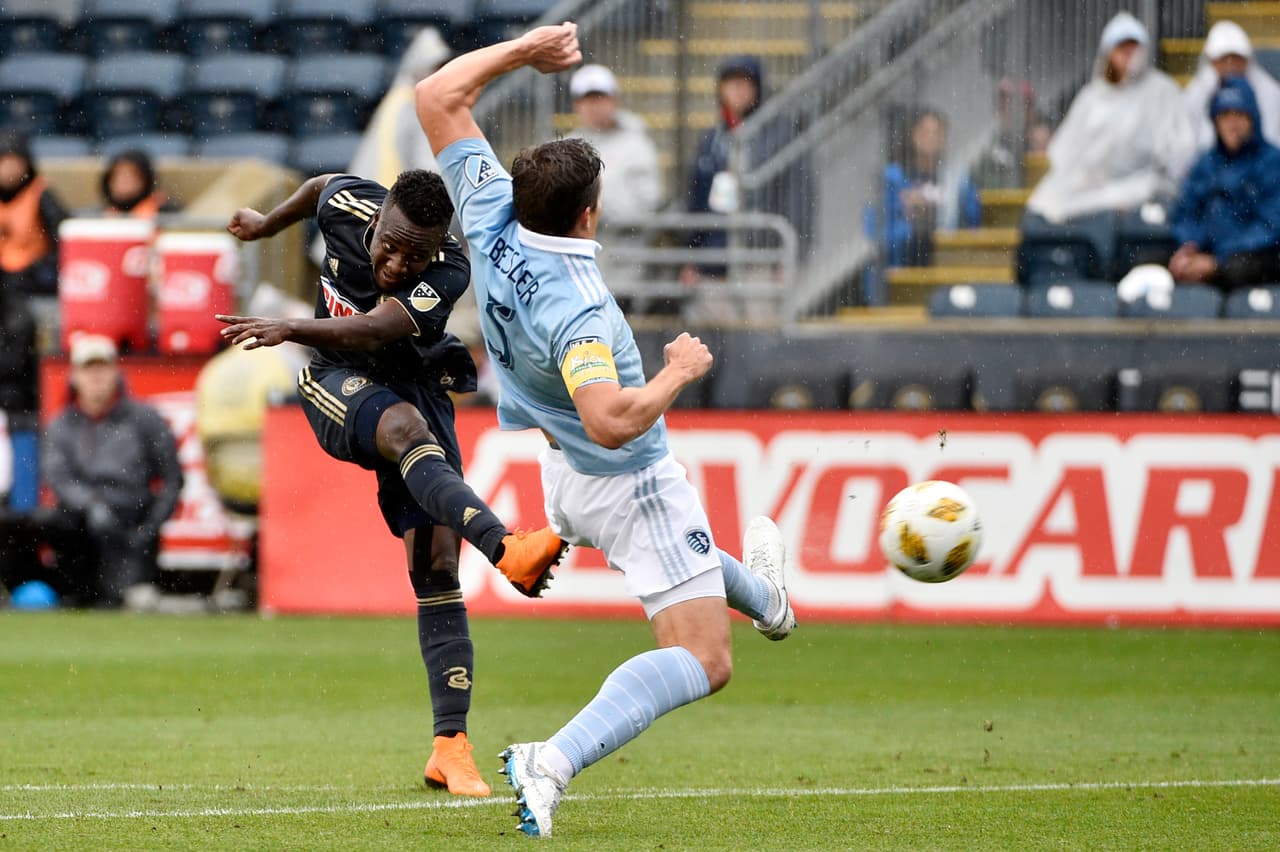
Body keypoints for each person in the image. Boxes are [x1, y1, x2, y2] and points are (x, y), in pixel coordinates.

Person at [417, 23, 797, 837]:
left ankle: (767, 599)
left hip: (564, 482)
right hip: (625, 482)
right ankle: (548, 759)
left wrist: (525, 49)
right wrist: (675, 372)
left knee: (694, 561)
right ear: (590, 215)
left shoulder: (488, 212)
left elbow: (437, 95)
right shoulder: (581, 308)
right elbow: (610, 419)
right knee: (705, 658)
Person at [218, 167, 568, 797]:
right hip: (334, 379)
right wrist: (266, 224)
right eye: (390, 244)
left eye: (416, 253)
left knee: (436, 563)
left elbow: (379, 327)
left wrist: (290, 326)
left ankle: (450, 749)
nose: (398, 262)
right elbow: (319, 184)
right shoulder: (347, 203)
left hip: (414, 383)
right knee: (404, 429)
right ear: (376, 219)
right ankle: (506, 547)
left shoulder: (448, 270)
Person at [41, 334, 183, 608]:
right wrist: (91, 504)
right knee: (51, 520)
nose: (96, 376)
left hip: (133, 515)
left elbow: (172, 478)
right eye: (88, 369)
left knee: (128, 597)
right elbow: (58, 477)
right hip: (81, 521)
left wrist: (150, 525)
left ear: (116, 373)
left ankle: (122, 585)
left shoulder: (145, 419)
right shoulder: (61, 425)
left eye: (102, 367)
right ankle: (77, 590)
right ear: (74, 377)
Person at [1026, 11, 1195, 224]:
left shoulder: (1162, 91)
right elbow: (1066, 150)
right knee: (1045, 203)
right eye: (1121, 47)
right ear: (1108, 53)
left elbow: (1178, 150)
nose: (1128, 54)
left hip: (1140, 184)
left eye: (1133, 46)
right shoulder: (1092, 96)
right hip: (1088, 187)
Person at [682, 53, 812, 316]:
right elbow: (697, 200)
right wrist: (692, 256)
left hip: (761, 258)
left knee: (760, 338)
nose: (737, 90)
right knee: (714, 345)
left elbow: (796, 195)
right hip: (716, 261)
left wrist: (789, 255)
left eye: (745, 83)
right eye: (730, 83)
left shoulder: (780, 135)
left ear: (758, 89)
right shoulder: (713, 139)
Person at [565, 64, 662, 309]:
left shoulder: (638, 145)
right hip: (575, 274)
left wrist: (595, 200)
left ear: (614, 100)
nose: (594, 106)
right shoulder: (566, 147)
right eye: (587, 99)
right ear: (577, 105)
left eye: (600, 97)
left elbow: (646, 208)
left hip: (623, 273)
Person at [1168, 77, 1280, 289]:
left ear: (1252, 118)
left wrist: (1217, 260)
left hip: (1255, 258)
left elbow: (1270, 227)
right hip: (1207, 253)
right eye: (1225, 115)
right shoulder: (1206, 162)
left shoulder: (1273, 161)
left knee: (1239, 268)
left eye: (1239, 114)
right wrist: (1190, 246)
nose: (1233, 123)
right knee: (1146, 262)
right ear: (1215, 121)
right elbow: (1185, 212)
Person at [875, 108, 982, 267]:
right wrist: (910, 217)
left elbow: (974, 222)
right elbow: (878, 232)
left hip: (947, 261)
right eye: (925, 132)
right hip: (904, 264)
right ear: (914, 136)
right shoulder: (893, 178)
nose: (931, 138)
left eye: (937, 133)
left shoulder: (958, 180)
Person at [347, 27, 453, 187]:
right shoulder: (415, 105)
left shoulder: (398, 98)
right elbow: (427, 168)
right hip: (386, 196)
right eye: (433, 68)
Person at [1184, 20, 1280, 153]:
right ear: (1211, 61)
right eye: (1223, 59)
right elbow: (1187, 138)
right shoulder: (1197, 91)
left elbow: (1272, 137)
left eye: (1236, 58)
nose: (1230, 64)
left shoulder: (1269, 91)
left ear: (1247, 59)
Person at [0, 131, 67, 297]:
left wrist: (41, 265)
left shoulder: (41, 194)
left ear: (27, 165)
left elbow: (62, 238)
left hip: (35, 275)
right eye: (3, 163)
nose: (8, 170)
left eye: (14, 163)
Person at [100, 148, 179, 219]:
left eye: (131, 176)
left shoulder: (165, 213)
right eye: (117, 176)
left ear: (146, 180)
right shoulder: (99, 214)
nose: (123, 182)